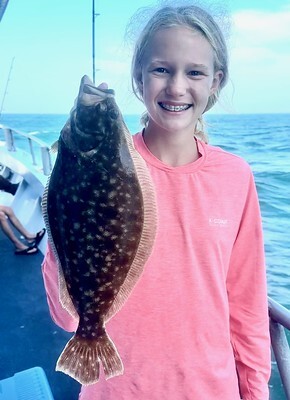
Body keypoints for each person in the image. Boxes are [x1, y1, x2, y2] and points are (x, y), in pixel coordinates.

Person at [41, 3, 271, 400]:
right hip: (115, 390)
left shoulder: (235, 177)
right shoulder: (92, 168)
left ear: (216, 81)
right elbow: (65, 319)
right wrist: (63, 215)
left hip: (210, 390)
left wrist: (254, 390)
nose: (177, 86)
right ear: (139, 77)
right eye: (162, 69)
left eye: (194, 72)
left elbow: (247, 305)